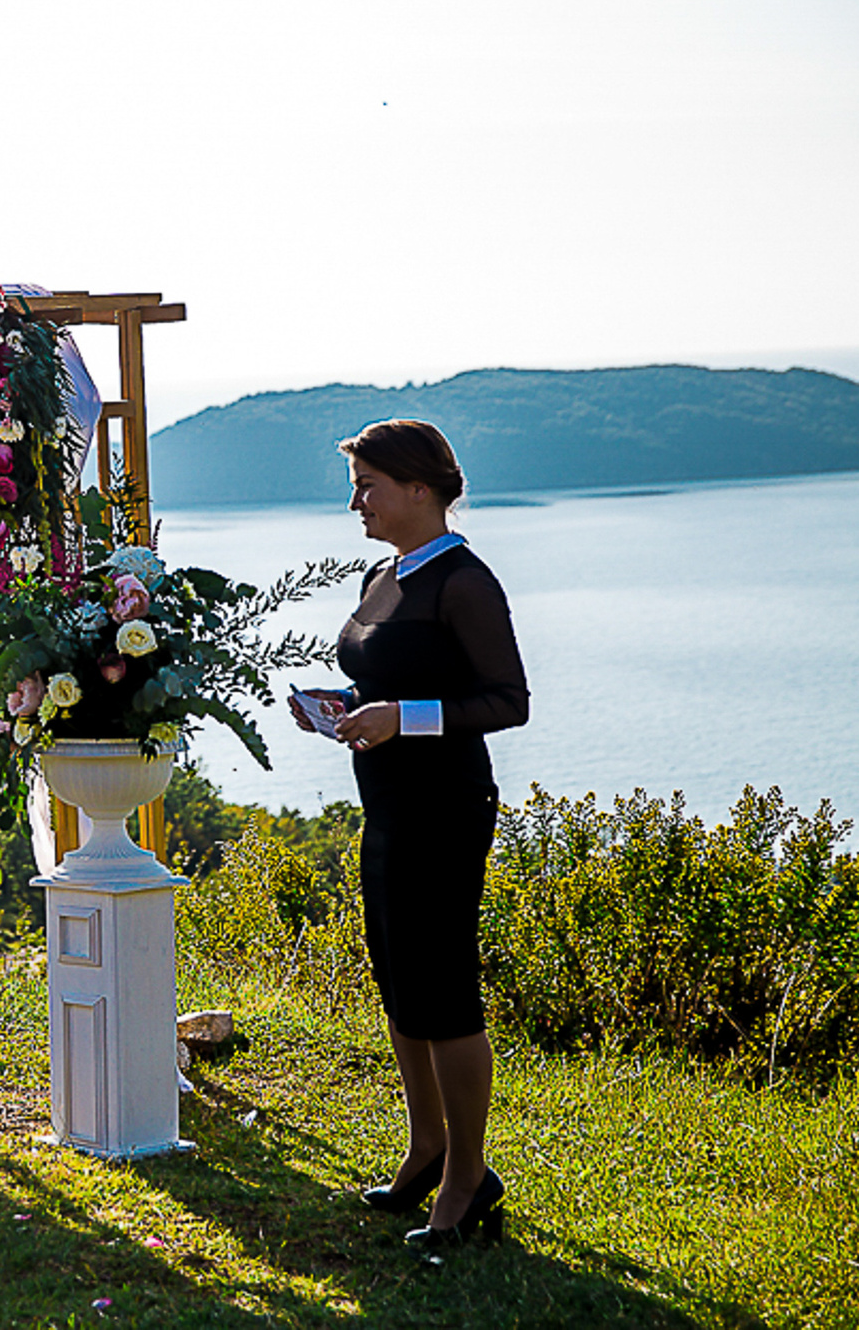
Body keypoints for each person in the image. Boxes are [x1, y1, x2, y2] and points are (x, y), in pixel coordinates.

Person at [295, 419, 529, 1249]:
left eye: (368, 485)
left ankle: (469, 1177)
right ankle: (426, 1145)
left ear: (420, 490)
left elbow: (508, 700)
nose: (356, 500)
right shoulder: (382, 572)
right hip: (387, 803)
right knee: (397, 975)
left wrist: (405, 718)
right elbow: (385, 673)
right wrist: (343, 710)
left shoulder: (465, 582)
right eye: (355, 484)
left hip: (446, 806)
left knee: (444, 988)